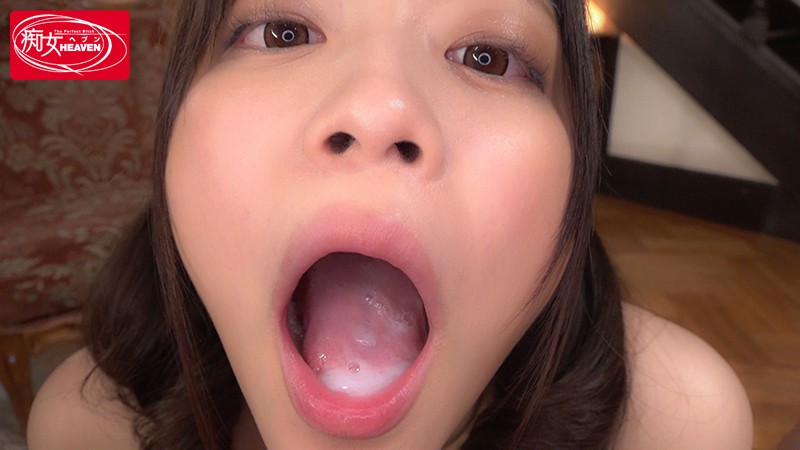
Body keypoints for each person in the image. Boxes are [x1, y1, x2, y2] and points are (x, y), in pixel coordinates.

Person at [26, 0, 753, 448]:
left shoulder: (676, 422)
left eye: (488, 56)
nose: (379, 108)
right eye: (283, 32)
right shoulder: (89, 426)